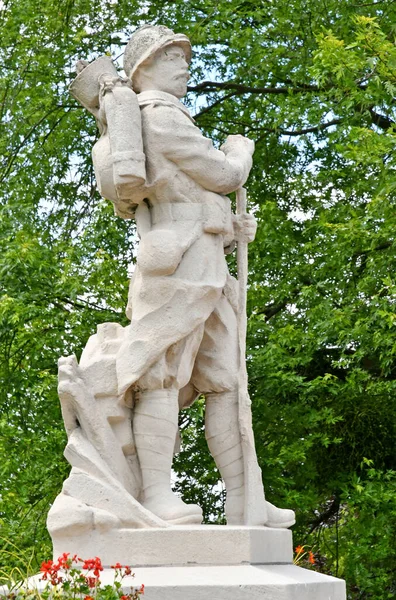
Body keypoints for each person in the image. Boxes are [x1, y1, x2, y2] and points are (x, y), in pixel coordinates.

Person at [114, 25, 295, 528]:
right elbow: (223, 174)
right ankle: (155, 496)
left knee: (226, 381)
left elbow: (197, 194)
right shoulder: (159, 117)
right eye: (171, 55)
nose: (185, 64)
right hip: (177, 265)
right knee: (162, 373)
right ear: (143, 68)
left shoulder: (167, 116)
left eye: (185, 55)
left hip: (206, 263)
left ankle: (245, 501)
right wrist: (241, 151)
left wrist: (229, 226)